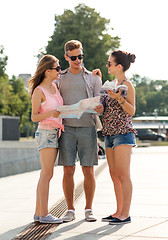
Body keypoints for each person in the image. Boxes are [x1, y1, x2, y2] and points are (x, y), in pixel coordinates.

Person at [57, 40, 103, 222]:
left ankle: (89, 209)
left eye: (80, 56)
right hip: (66, 129)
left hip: (88, 128)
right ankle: (70, 209)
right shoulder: (59, 78)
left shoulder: (93, 78)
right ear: (66, 57)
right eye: (74, 57)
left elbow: (101, 102)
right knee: (68, 170)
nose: (78, 60)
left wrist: (100, 107)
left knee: (88, 170)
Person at [100, 50, 137, 225]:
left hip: (123, 133)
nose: (107, 65)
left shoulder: (127, 85)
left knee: (123, 175)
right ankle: (118, 211)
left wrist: (120, 99)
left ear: (119, 66)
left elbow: (131, 111)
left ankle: (126, 214)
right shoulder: (111, 83)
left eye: (109, 63)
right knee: (114, 175)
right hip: (109, 133)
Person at [29, 55, 64, 224]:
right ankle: (44, 214)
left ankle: (38, 213)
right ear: (48, 71)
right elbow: (34, 117)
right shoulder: (39, 91)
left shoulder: (55, 87)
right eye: (57, 68)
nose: (60, 70)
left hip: (55, 132)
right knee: (46, 174)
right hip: (46, 133)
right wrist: (51, 113)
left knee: (46, 174)